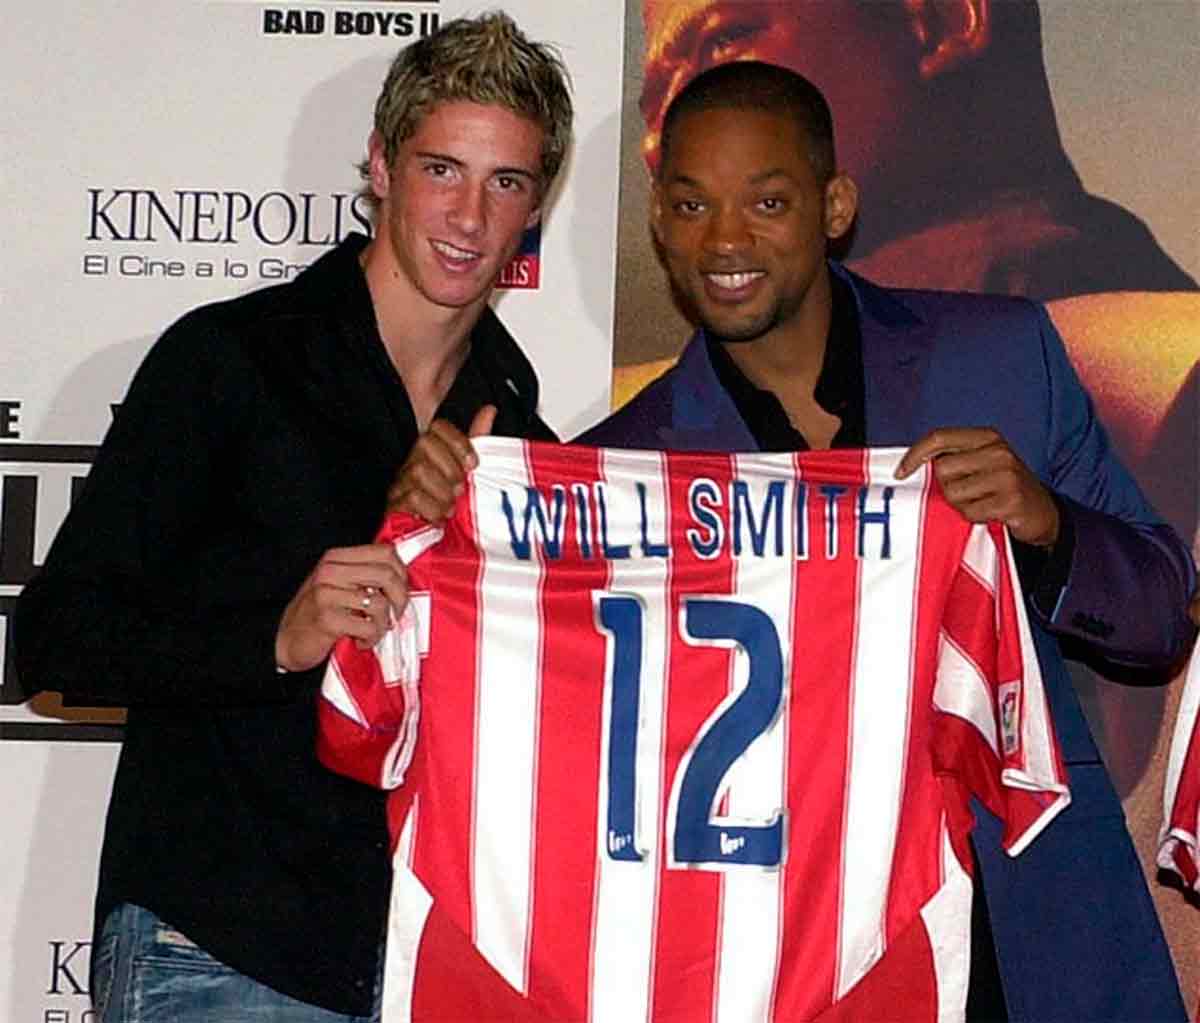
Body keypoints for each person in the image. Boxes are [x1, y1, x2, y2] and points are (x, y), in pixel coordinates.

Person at [397, 62, 1196, 1023]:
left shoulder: (1000, 357)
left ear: (835, 206)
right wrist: (443, 528)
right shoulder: (624, 473)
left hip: (1027, 937)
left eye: (766, 202)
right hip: (805, 967)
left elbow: (1161, 613)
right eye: (691, 204)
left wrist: (1046, 527)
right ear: (658, 224)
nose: (724, 239)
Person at [14, 12, 571, 1022]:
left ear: (536, 204)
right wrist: (277, 636)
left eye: (505, 182)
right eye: (442, 170)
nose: (469, 215)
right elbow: (55, 637)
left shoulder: (517, 428)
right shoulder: (232, 360)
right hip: (219, 947)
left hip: (421, 959)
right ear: (381, 166)